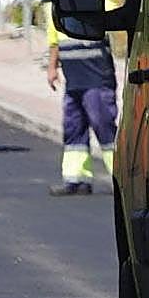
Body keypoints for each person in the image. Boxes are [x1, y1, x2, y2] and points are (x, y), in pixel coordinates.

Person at [45, 14, 117, 196]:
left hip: (97, 78)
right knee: (73, 129)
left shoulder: (97, 1)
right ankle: (76, 179)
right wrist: (52, 67)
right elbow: (54, 41)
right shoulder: (58, 7)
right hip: (73, 80)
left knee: (104, 128)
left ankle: (121, 178)